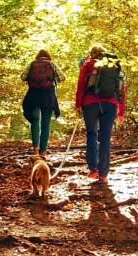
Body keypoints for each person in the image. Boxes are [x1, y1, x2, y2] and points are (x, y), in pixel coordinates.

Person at [75, 44, 125, 184]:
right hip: (110, 103)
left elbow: (80, 85)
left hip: (90, 103)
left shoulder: (88, 64)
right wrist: (121, 110)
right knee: (105, 137)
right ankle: (104, 175)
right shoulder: (114, 65)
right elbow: (121, 88)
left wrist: (78, 104)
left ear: (91, 54)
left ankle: (93, 169)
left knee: (91, 134)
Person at [21, 49, 66, 157]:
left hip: (34, 95)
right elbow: (62, 78)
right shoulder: (52, 64)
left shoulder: (32, 64)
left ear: (37, 56)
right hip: (48, 96)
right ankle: (43, 151)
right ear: (48, 56)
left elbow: (23, 77)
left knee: (35, 121)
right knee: (46, 124)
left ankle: (35, 150)